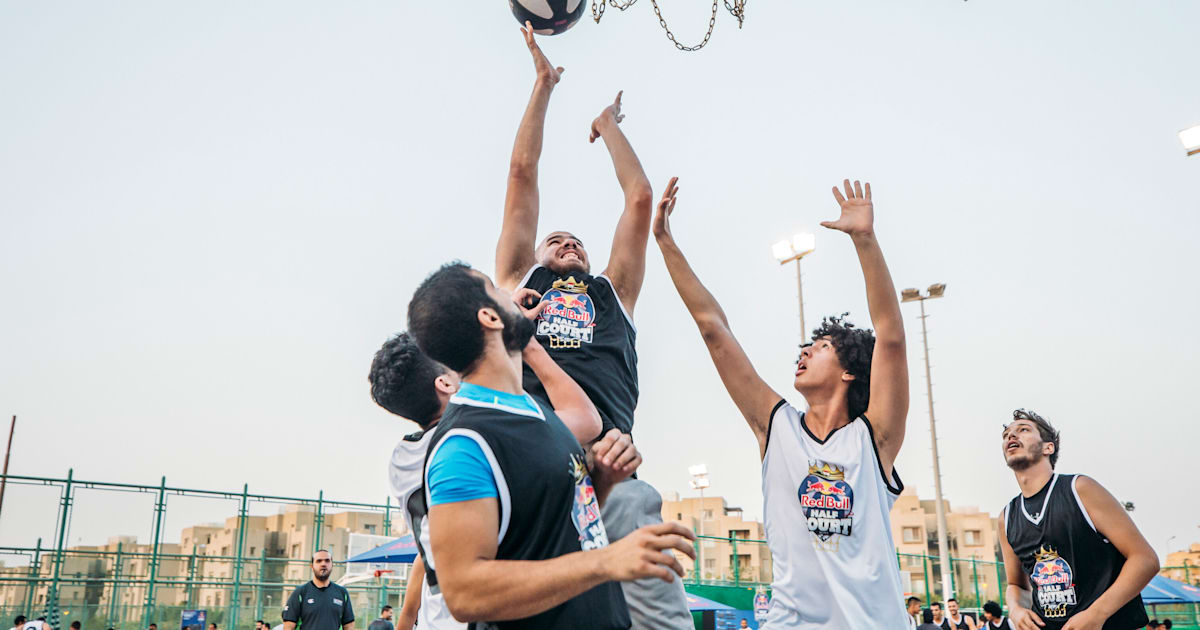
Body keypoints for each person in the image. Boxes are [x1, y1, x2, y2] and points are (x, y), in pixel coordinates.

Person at [494, 23, 691, 630]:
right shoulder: (514, 281)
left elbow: (638, 198)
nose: (566, 242)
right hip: (531, 449)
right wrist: (543, 86)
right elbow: (523, 172)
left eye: (575, 240)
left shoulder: (614, 292)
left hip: (608, 455)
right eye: (555, 239)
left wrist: (609, 126)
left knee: (637, 519)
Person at [653, 177, 910, 628]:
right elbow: (714, 329)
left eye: (822, 346)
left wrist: (865, 240)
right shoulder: (777, 427)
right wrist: (665, 241)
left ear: (851, 370)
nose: (805, 352)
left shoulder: (875, 438)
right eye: (807, 346)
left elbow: (890, 338)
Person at [405, 262, 697, 629]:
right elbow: (465, 594)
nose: (513, 293)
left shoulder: (532, 410)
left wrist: (601, 481)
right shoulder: (463, 444)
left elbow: (555, 528)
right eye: (496, 290)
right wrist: (606, 561)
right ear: (490, 318)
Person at [370, 318, 611, 628]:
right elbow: (587, 420)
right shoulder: (480, 435)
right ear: (444, 384)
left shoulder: (401, 460)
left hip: (436, 617)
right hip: (486, 611)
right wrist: (527, 344)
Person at [999, 409, 1156, 630]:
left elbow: (1145, 559)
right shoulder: (1007, 517)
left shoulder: (1079, 490)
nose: (1011, 436)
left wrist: (1096, 614)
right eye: (1006, 435)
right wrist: (1015, 609)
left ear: (1048, 447)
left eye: (1023, 430)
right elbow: (1017, 584)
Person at [281, 550, 355, 630]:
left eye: (327, 561)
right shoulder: (300, 593)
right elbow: (288, 626)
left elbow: (349, 625)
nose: (323, 564)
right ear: (312, 566)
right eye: (319, 561)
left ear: (332, 565)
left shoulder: (342, 593)